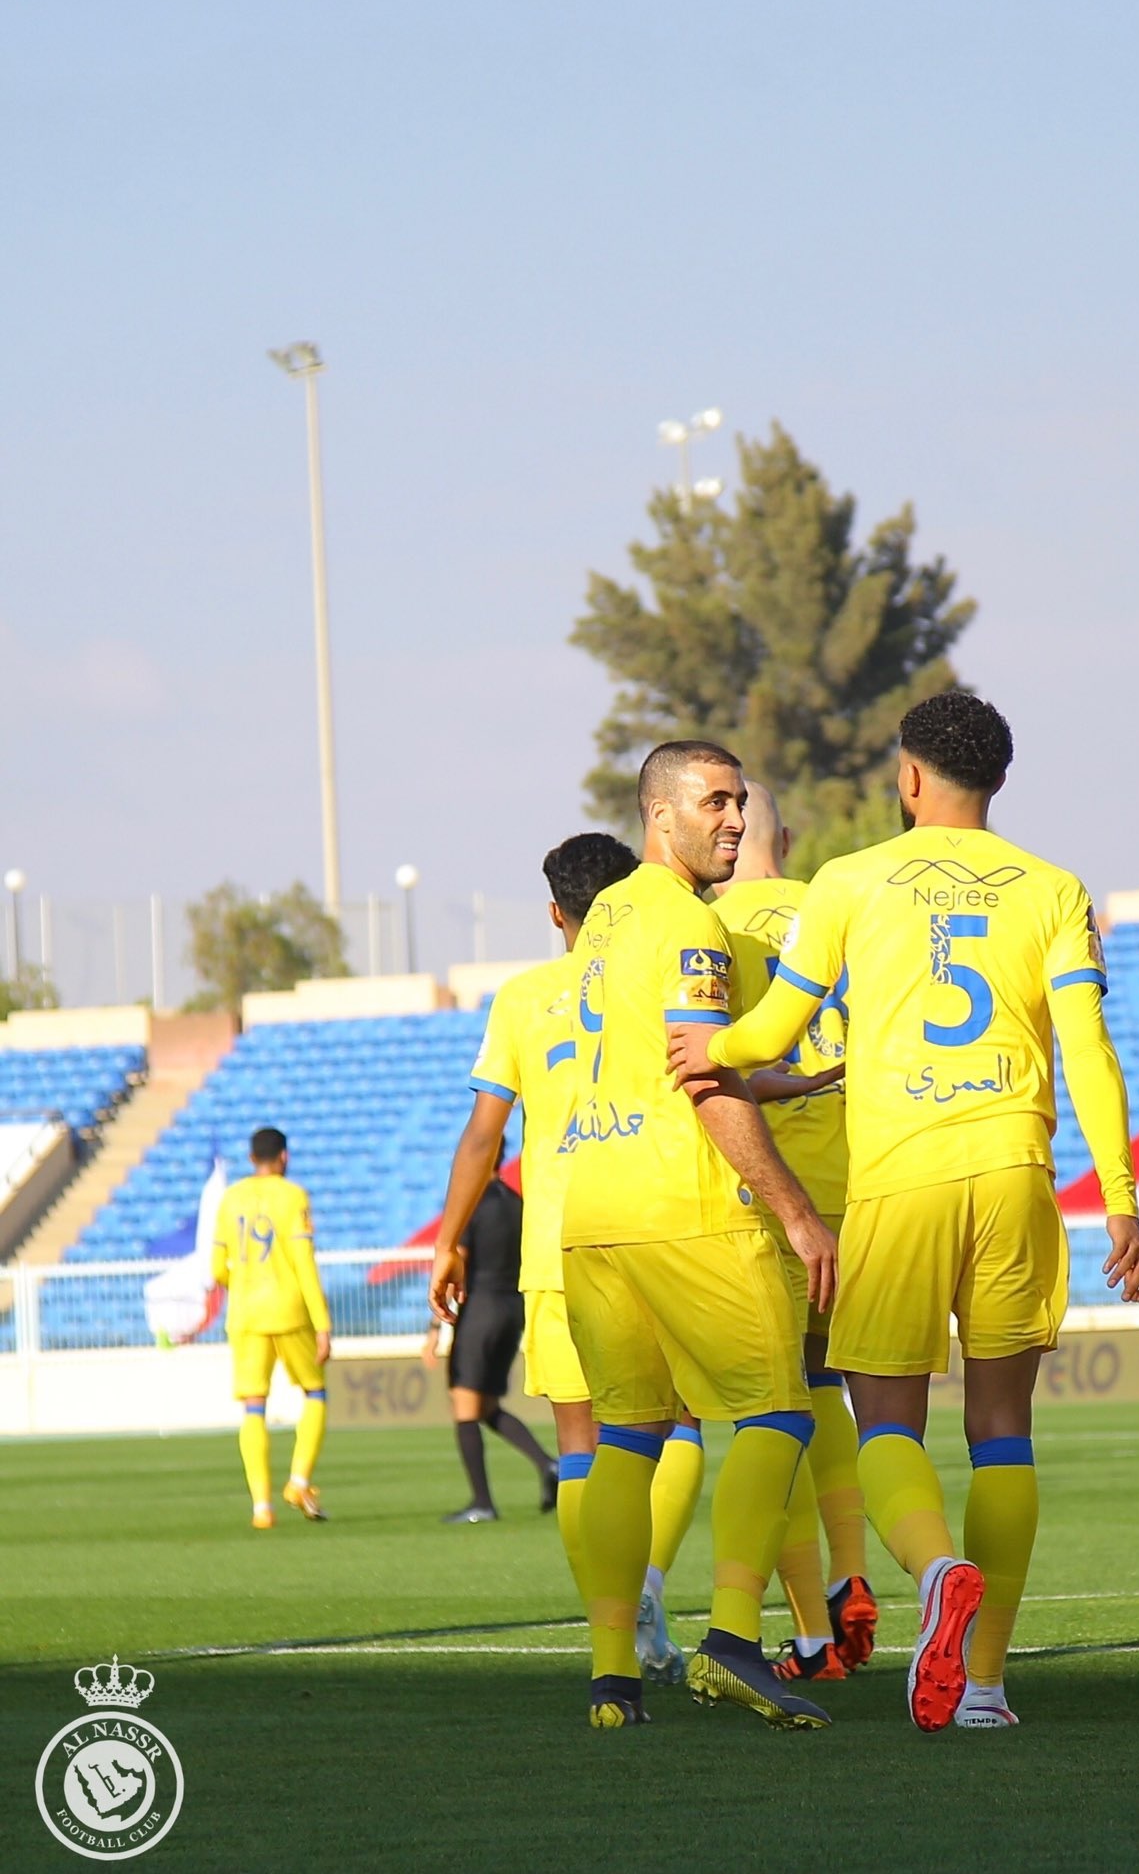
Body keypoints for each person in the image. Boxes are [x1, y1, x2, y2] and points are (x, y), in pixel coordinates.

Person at [680, 689, 1139, 1732]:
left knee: (884, 1417)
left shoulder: (851, 879)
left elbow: (773, 1024)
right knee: (1003, 1433)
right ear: (995, 779)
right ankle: (983, 1685)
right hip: (1017, 1173)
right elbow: (1088, 1051)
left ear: (907, 775)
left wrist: (710, 1049)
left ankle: (936, 1567)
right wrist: (1119, 1200)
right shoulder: (1052, 886)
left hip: (899, 1179)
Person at [561, 740, 839, 1733]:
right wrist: (799, 1211)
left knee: (627, 1441)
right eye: (712, 801)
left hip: (591, 1215)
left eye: (737, 801)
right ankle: (728, 1639)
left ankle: (610, 1680)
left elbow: (662, 1058)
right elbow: (702, 1079)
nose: (731, 817)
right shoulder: (689, 923)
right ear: (658, 813)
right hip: (682, 1207)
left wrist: (786, 1079)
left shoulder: (604, 924)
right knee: (777, 1413)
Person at [429, 836, 690, 1611]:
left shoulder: (521, 997)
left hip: (558, 1246)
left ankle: (613, 1624)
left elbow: (483, 1136)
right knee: (674, 1428)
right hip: (658, 1224)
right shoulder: (657, 975)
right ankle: (649, 1587)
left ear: (555, 914)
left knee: (580, 1444)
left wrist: (447, 1242)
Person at [710, 781, 878, 1685]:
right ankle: (857, 1574)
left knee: (772, 1416)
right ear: (794, 834)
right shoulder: (842, 902)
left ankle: (814, 1631)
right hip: (870, 1179)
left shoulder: (709, 931)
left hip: (772, 1195)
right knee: (837, 1390)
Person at [425, 1162, 559, 1524]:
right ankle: (549, 1464)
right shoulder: (517, 1202)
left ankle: (482, 1502)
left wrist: (434, 1326)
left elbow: (458, 1262)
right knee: (486, 1406)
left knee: (465, 1406)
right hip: (512, 1309)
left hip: (480, 1310)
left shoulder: (471, 1204)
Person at [211, 1126, 331, 1528]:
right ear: (283, 1157)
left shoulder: (230, 1199)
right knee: (315, 1392)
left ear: (250, 1160)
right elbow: (304, 1263)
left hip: (245, 1315)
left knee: (253, 1407)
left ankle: (261, 1508)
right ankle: (298, 1481)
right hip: (288, 1309)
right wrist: (323, 1324)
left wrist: (242, 1285)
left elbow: (216, 1268)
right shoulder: (292, 1195)